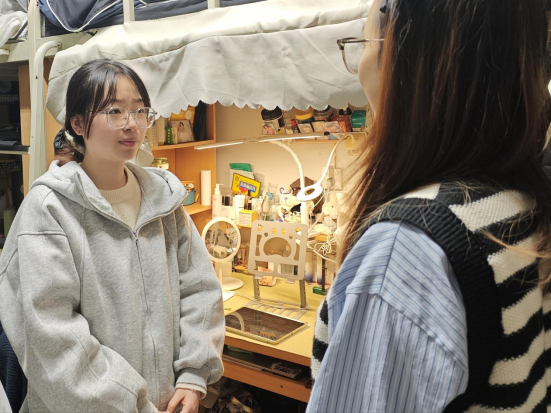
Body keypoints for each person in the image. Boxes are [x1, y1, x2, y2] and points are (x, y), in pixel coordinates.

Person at [308, 0, 551, 412]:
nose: (361, 66)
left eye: (363, 44)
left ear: (403, 58)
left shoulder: (405, 250)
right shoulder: (517, 203)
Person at [0, 59, 225, 413]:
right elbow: (54, 339)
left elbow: (199, 289)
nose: (131, 124)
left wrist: (193, 377)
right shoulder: (49, 210)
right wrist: (134, 405)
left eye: (140, 111)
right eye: (115, 111)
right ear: (78, 124)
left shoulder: (163, 199)